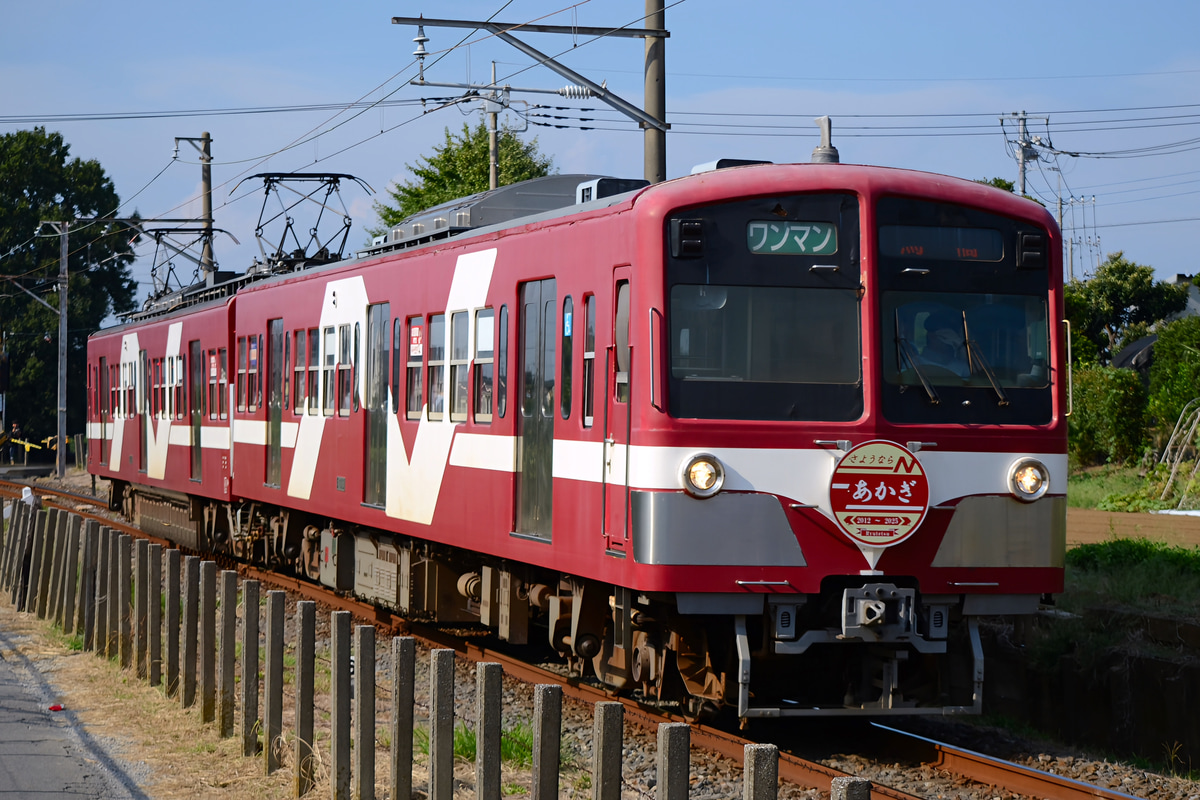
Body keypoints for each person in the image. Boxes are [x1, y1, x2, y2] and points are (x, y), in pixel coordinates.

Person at [921, 313, 971, 377]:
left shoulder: (961, 366)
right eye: (946, 335)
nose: (950, 340)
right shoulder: (914, 365)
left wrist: (960, 345)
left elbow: (980, 378)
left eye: (953, 335)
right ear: (932, 336)